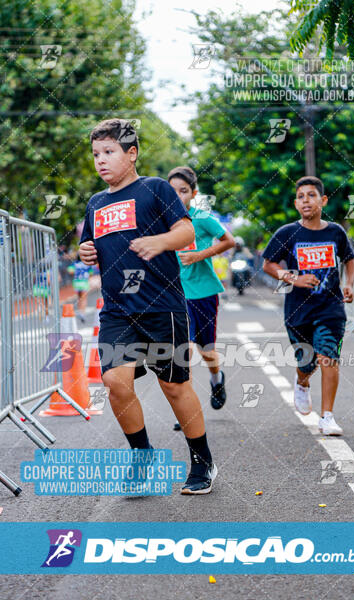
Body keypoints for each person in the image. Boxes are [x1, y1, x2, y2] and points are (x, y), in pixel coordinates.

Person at [79, 119, 217, 494]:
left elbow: (186, 231)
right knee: (114, 381)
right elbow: (89, 246)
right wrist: (85, 251)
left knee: (174, 386)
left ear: (132, 153)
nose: (101, 161)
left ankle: (202, 462)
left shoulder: (155, 189)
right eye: (96, 154)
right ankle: (142, 457)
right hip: (117, 310)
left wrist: (160, 242)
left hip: (161, 305)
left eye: (109, 152)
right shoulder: (96, 203)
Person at [263, 176, 354, 435]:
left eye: (312, 195)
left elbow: (349, 259)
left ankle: (327, 416)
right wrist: (294, 278)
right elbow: (268, 264)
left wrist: (349, 284)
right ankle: (302, 382)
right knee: (307, 362)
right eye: (301, 196)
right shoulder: (288, 233)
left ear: (323, 200)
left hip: (331, 308)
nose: (306, 200)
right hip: (298, 311)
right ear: (296, 203)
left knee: (328, 357)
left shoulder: (335, 232)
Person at [167, 166, 235, 427]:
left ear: (193, 194)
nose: (177, 196)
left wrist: (198, 255)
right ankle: (187, 411)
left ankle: (217, 379)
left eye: (183, 191)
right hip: (174, 294)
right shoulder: (162, 222)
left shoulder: (202, 218)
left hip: (203, 293)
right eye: (172, 191)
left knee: (205, 350)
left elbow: (229, 241)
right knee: (179, 351)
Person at [67, 257, 93, 322]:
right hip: (84, 282)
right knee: (84, 298)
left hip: (76, 282)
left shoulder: (75, 263)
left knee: (79, 297)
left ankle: (80, 311)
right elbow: (91, 273)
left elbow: (70, 271)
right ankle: (82, 312)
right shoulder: (87, 263)